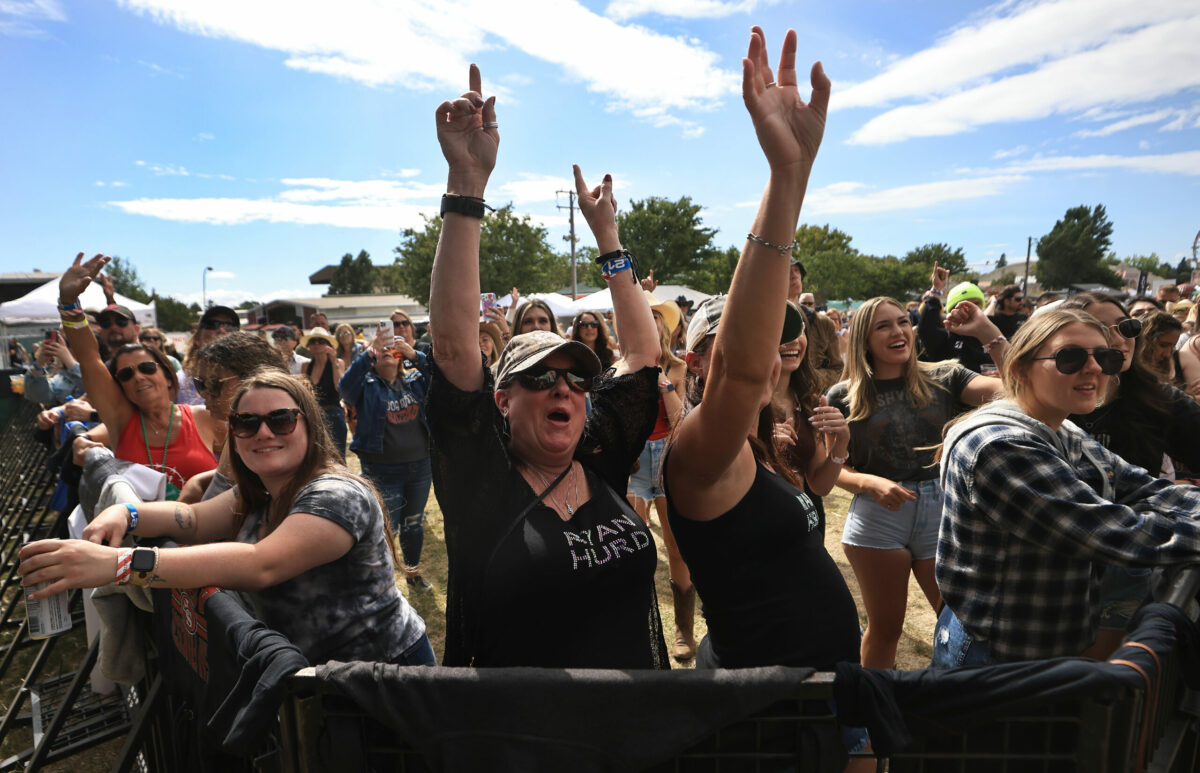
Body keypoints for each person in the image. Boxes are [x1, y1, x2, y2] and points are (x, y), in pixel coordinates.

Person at [426, 65, 666, 668]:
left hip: (631, 730)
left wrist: (608, 239)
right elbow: (455, 349)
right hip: (520, 740)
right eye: (540, 376)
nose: (562, 386)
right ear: (502, 398)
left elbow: (641, 356)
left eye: (575, 377)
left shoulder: (597, 451)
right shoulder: (481, 477)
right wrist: (466, 182)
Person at [662, 28, 861, 679]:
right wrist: (783, 175)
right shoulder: (700, 451)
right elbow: (743, 372)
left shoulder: (765, 440)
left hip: (823, 692)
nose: (769, 349)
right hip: (767, 718)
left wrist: (799, 169)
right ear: (699, 364)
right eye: (741, 336)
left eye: (780, 334)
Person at [19, 370, 434, 667]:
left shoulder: (336, 495)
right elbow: (194, 519)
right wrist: (125, 512)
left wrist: (120, 565)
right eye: (246, 422)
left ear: (310, 426)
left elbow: (261, 564)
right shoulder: (261, 489)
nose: (264, 433)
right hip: (320, 679)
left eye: (282, 419)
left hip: (386, 673)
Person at [936, 307, 1200, 666]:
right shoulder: (999, 446)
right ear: (1018, 368)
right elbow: (1112, 532)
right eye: (1070, 357)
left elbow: (1142, 488)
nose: (1094, 368)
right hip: (998, 655)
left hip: (1043, 647)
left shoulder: (1062, 426)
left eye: (1105, 357)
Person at [828, 296, 1004, 669]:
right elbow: (831, 469)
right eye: (884, 326)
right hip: (877, 515)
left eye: (903, 322)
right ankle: (871, 719)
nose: (899, 331)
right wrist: (868, 483)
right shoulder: (843, 396)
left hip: (942, 510)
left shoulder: (945, 376)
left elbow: (1016, 392)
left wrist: (987, 333)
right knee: (885, 629)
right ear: (864, 339)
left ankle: (951, 708)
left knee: (959, 624)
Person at [1060, 293, 1200, 658]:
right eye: (1100, 330)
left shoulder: (1159, 399)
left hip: (1129, 563)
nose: (1119, 338)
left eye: (1127, 327)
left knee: (1101, 680)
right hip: (1053, 565)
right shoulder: (1047, 403)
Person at [56, 254, 218, 500]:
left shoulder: (206, 418)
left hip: (209, 534)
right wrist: (69, 302)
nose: (138, 377)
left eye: (147, 368)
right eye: (127, 374)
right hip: (140, 537)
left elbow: (243, 473)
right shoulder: (121, 421)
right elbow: (89, 359)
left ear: (167, 376)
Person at [339, 327, 434, 592]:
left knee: (413, 524)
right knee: (384, 530)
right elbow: (344, 387)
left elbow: (438, 377)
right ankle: (383, 583)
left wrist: (414, 354)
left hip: (420, 467)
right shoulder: (364, 386)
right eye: (379, 350)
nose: (386, 352)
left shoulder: (415, 379)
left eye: (390, 348)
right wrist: (370, 352)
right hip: (382, 471)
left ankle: (413, 574)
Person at [624, 294, 691, 660]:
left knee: (675, 545)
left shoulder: (678, 368)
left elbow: (681, 420)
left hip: (667, 455)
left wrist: (663, 383)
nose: (648, 325)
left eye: (654, 319)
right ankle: (633, 621)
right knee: (630, 546)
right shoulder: (624, 367)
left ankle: (683, 629)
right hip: (634, 459)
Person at [787, 258, 842, 390]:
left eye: (796, 270)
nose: (794, 274)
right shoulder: (766, 323)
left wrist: (811, 378)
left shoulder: (823, 323)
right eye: (787, 271)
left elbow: (838, 370)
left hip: (815, 401)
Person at [178, 306, 240, 406]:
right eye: (212, 324)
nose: (221, 330)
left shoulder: (249, 380)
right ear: (197, 339)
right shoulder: (179, 382)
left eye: (229, 326)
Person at [301, 326, 347, 460]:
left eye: (321, 341)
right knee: (316, 458)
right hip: (313, 415)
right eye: (313, 341)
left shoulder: (338, 362)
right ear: (308, 346)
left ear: (329, 345)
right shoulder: (306, 366)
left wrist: (334, 362)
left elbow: (340, 388)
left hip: (333, 413)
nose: (316, 344)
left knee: (338, 457)